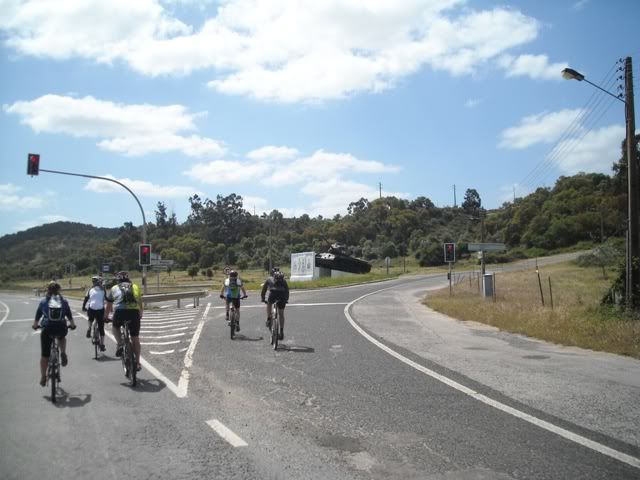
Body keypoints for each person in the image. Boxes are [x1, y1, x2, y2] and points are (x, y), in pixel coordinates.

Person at [32, 281, 77, 386]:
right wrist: (72, 325)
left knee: (44, 356)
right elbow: (69, 315)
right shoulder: (63, 301)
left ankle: (43, 377)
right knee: (62, 337)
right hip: (61, 327)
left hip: (47, 328)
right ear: (59, 290)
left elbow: (38, 316)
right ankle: (63, 353)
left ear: (48, 290)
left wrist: (35, 325)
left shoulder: (43, 302)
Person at [104, 271, 143, 371]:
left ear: (118, 280)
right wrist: (140, 313)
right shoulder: (135, 286)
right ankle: (138, 363)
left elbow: (108, 305)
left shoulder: (114, 288)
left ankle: (120, 344)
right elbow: (139, 301)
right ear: (128, 279)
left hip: (120, 313)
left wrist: (105, 316)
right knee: (135, 338)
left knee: (115, 327)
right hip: (133, 313)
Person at [260, 267, 290, 340]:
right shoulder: (283, 280)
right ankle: (281, 331)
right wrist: (286, 300)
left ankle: (269, 318)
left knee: (269, 304)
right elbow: (287, 291)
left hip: (272, 295)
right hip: (282, 297)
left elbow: (263, 290)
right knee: (281, 314)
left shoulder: (269, 279)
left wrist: (263, 298)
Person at [82, 275, 106, 351]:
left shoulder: (90, 290)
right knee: (101, 328)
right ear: (100, 282)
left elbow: (86, 299)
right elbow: (107, 299)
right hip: (100, 310)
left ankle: (89, 328)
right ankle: (102, 344)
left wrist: (83, 307)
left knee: (90, 318)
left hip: (91, 309)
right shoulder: (103, 290)